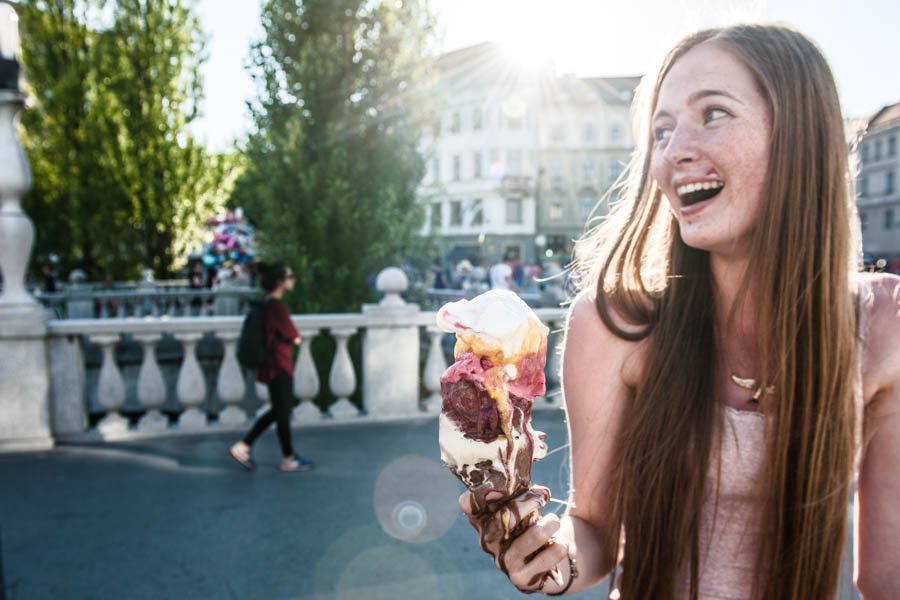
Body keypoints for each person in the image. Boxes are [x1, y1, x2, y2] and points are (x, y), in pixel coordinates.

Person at [458, 24, 900, 599]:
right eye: (661, 130)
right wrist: (551, 556)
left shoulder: (884, 326)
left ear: (799, 135)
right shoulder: (616, 324)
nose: (673, 152)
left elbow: (887, 578)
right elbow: (594, 531)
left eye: (713, 114)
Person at [230, 262, 314, 472]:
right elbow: (293, 335)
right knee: (281, 411)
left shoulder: (264, 304)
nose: (293, 280)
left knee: (280, 411)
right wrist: (294, 339)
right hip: (280, 365)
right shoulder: (277, 307)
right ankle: (284, 457)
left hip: (270, 364)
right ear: (280, 282)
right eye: (290, 276)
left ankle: (252, 448)